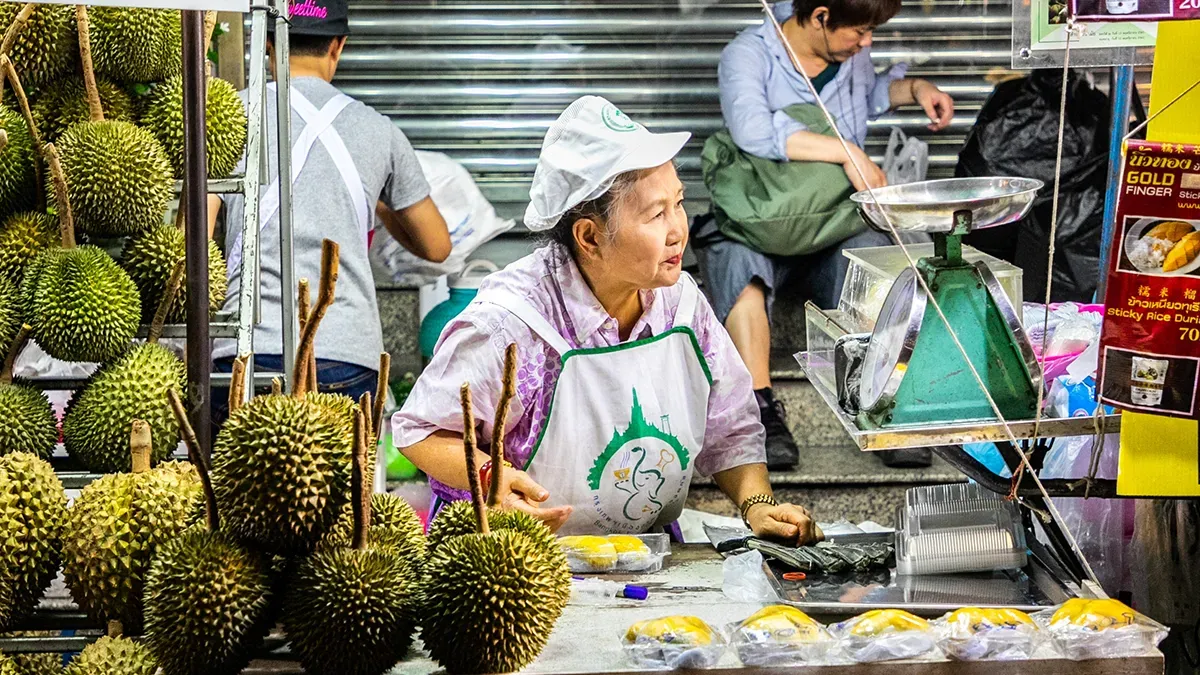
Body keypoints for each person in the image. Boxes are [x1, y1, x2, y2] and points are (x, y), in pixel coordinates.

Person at [394, 96, 821, 544]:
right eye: (657, 214)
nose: (679, 229)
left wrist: (757, 505)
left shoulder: (681, 306)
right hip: (511, 558)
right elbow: (420, 430)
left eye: (678, 203)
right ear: (590, 237)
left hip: (639, 553)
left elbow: (730, 425)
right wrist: (490, 478)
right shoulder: (511, 323)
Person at [695, 0, 956, 469]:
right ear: (819, 16)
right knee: (737, 267)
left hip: (830, 223)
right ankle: (761, 413)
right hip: (760, 218)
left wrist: (915, 88)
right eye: (858, 31)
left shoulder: (849, 57)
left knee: (877, 260)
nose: (867, 41)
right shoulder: (748, 54)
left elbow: (869, 97)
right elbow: (753, 130)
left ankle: (882, 401)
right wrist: (847, 153)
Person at [208, 0, 450, 428]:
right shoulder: (380, 131)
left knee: (239, 494)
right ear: (338, 46)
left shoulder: (229, 118)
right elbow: (436, 246)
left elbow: (194, 235)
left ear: (268, 45)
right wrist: (377, 203)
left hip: (248, 351)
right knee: (337, 495)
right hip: (346, 355)